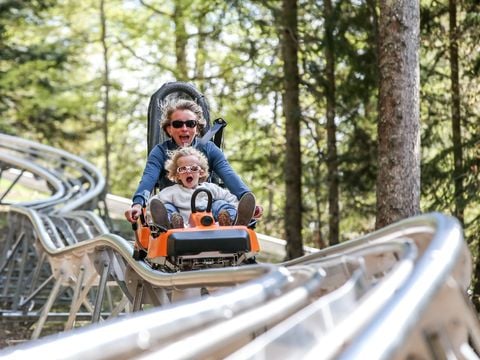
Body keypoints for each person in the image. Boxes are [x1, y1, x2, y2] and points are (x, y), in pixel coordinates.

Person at [124, 99, 263, 224]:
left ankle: (233, 220)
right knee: (166, 209)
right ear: (169, 129)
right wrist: (137, 204)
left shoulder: (209, 149)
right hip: (176, 207)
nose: (184, 128)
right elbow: (148, 179)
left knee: (221, 204)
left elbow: (229, 175)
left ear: (197, 129)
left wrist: (247, 199)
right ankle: (170, 224)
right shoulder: (160, 152)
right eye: (178, 124)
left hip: (206, 207)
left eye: (190, 124)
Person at [148, 147, 255, 228]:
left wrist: (239, 209)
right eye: (183, 169)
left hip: (213, 225)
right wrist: (149, 219)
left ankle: (233, 221)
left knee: (220, 204)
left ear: (201, 172)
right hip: (184, 228)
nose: (188, 171)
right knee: (167, 207)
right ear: (177, 175)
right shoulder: (172, 191)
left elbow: (232, 199)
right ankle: (168, 225)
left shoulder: (211, 188)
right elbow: (153, 205)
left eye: (193, 168)